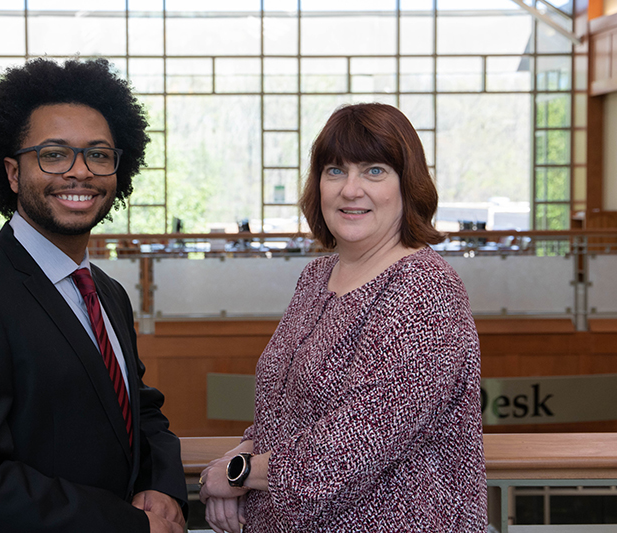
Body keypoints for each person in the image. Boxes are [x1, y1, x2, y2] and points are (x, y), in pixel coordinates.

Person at [0, 58, 187, 533]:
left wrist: (162, 486)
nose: (79, 172)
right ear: (13, 173)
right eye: (54, 154)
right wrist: (127, 525)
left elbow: (139, 409)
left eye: (99, 155)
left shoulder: (107, 292)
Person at [198, 103, 487, 532]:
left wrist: (238, 474)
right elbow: (285, 407)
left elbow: (353, 447)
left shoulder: (425, 288)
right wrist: (243, 450)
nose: (351, 189)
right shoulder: (316, 277)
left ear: (408, 186)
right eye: (335, 171)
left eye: (374, 171)